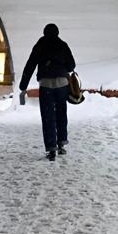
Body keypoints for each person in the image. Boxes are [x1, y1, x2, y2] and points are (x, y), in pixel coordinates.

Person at [18, 23, 76, 160]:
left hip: (46, 85)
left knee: (48, 116)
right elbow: (71, 65)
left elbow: (30, 64)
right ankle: (61, 143)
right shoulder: (62, 44)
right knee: (61, 113)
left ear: (44, 32)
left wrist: (23, 85)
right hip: (62, 85)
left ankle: (51, 149)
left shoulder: (40, 44)